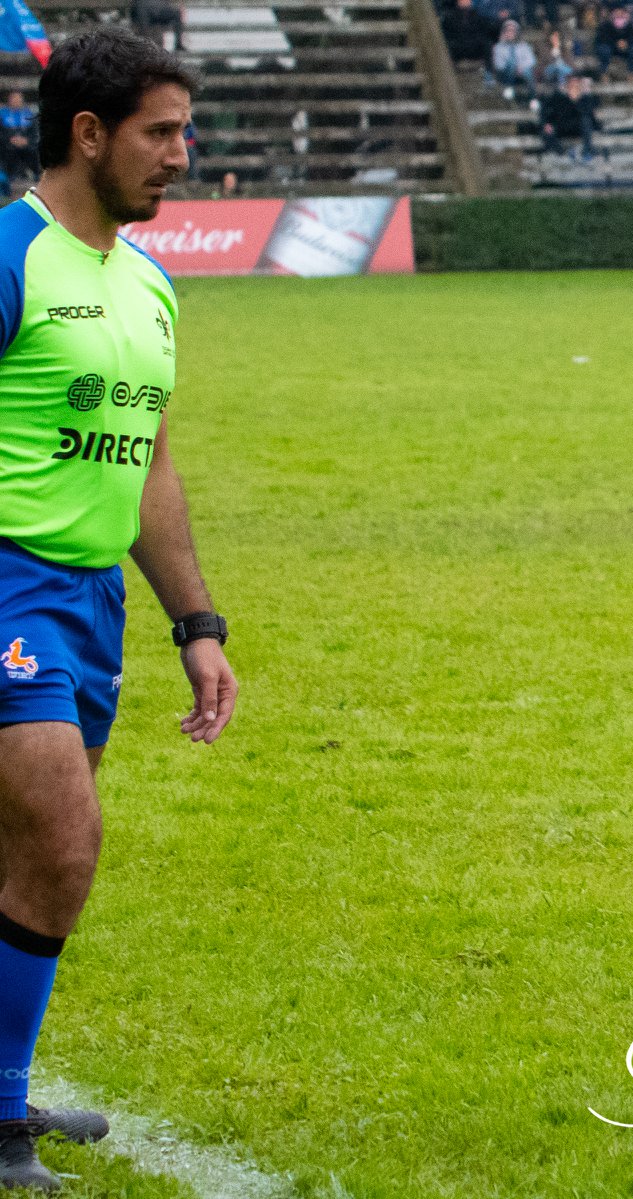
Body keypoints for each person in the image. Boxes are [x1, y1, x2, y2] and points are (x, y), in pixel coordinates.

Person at [0, 27, 238, 1192]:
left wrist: (198, 623)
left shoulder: (149, 285)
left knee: (26, 857)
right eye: (162, 131)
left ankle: (4, 1091)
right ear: (88, 134)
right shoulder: (11, 256)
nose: (181, 153)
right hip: (9, 582)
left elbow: (148, 467)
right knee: (63, 840)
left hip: (92, 598)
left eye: (184, 130)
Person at [540, 72, 595, 156]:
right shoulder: (558, 96)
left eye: (576, 83)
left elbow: (589, 115)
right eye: (571, 83)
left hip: (577, 127)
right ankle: (561, 153)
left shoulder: (585, 98)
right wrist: (546, 123)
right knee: (547, 131)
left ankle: (587, 151)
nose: (573, 85)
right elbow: (546, 111)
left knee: (586, 122)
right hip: (561, 126)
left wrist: (576, 101)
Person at [490, 19, 538, 101]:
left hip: (521, 73)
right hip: (505, 74)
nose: (510, 33)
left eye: (512, 31)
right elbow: (499, 65)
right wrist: (514, 68)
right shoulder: (498, 47)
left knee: (528, 71)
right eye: (508, 31)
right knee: (511, 64)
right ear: (504, 33)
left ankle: (532, 97)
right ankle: (509, 90)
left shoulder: (523, 46)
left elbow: (532, 61)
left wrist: (521, 67)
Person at [441, 0, 498, 66]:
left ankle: (489, 70)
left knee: (487, 44)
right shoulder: (450, 18)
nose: (467, 1)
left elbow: (488, 28)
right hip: (458, 47)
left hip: (474, 47)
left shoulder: (476, 16)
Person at [0, 92, 36, 195]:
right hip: (6, 144)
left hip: (26, 144)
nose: (16, 101)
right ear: (9, 101)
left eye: (18, 99)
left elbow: (34, 133)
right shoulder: (2, 115)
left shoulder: (29, 115)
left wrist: (26, 140)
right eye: (13, 99)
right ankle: (10, 176)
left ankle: (34, 174)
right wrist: (10, 139)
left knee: (34, 150)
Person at [593, 5, 633, 77]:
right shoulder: (605, 25)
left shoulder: (629, 25)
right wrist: (616, 43)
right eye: (617, 13)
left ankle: (631, 73)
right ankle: (603, 73)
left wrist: (625, 43)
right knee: (604, 50)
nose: (619, 15)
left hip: (624, 48)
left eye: (621, 13)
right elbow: (603, 38)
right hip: (609, 46)